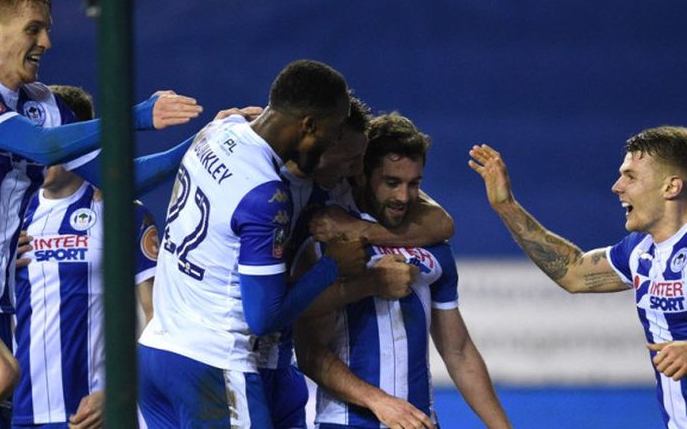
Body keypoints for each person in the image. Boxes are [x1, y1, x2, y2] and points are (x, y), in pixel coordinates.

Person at [0, 0, 201, 417]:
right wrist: (136, 116)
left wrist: (200, 146)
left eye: (47, 28)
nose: (46, 41)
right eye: (33, 28)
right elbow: (42, 148)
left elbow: (118, 178)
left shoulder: (41, 104)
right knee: (0, 376)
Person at [137, 59, 368, 429]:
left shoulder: (221, 129)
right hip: (213, 363)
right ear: (308, 125)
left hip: (160, 354)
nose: (335, 140)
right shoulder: (265, 192)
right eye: (334, 131)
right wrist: (332, 267)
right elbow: (263, 317)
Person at [294, 113, 511, 429]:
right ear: (360, 175)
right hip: (346, 423)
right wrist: (380, 403)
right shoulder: (328, 241)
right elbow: (311, 352)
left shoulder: (432, 246)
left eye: (414, 184)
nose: (403, 197)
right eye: (391, 182)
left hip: (420, 422)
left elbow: (459, 351)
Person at [467, 126, 687, 429]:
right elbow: (573, 272)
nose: (617, 186)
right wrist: (506, 207)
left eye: (631, 176)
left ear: (671, 186)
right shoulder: (640, 251)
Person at [260, 97, 455, 429]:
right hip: (241, 357)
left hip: (278, 366)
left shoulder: (345, 204)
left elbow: (442, 222)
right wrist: (370, 283)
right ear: (317, 143)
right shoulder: (276, 185)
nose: (352, 171)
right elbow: (272, 312)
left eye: (358, 161)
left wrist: (361, 230)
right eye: (349, 159)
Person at [10, 85, 158, 429]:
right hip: (18, 412)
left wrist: (122, 390)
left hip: (93, 413)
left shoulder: (121, 213)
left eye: (52, 139)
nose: (38, 152)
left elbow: (159, 317)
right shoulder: (10, 214)